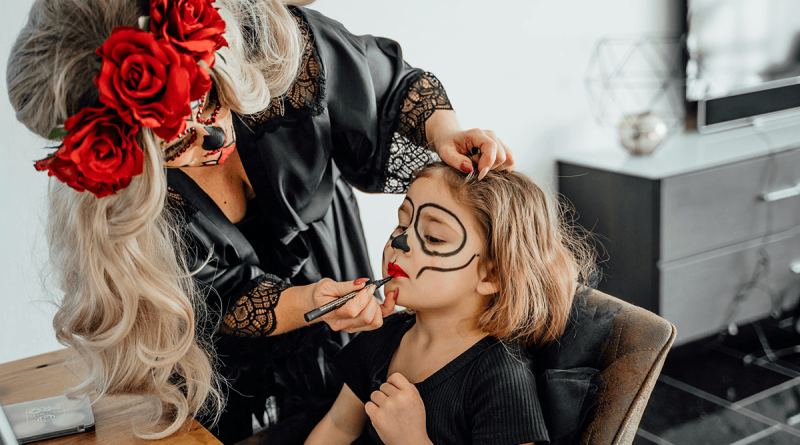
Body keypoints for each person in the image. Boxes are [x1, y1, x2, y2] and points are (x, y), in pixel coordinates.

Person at [6, 0, 515, 442]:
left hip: (333, 280)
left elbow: (388, 88)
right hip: (224, 371)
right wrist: (308, 302)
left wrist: (446, 131)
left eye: (211, 100)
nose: (213, 139)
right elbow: (220, 301)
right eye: (177, 144)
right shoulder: (131, 203)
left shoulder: (281, 51)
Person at [306, 162, 596, 445]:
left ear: (492, 274)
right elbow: (338, 426)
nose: (400, 242)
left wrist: (411, 440)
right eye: (402, 224)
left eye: (434, 237)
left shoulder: (500, 378)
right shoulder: (381, 336)